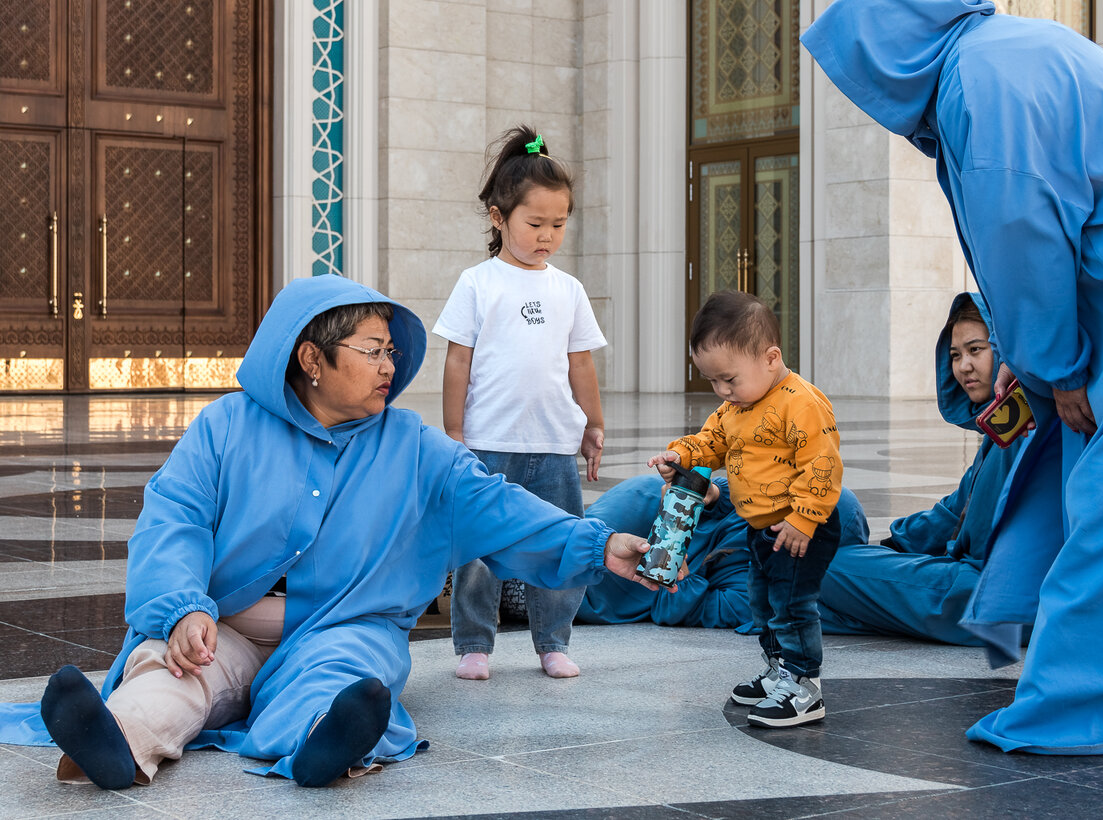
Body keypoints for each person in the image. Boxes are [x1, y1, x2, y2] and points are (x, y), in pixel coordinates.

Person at [0, 274, 660, 790]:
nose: (389, 367)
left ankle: (326, 747)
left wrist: (598, 543)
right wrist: (182, 610)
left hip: (345, 625)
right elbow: (175, 519)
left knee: (341, 678)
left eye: (391, 352)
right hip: (221, 624)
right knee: (172, 673)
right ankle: (113, 744)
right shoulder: (226, 426)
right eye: (372, 351)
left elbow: (498, 506)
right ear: (312, 358)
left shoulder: (413, 445)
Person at [802, 0, 1103, 754]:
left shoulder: (980, 85)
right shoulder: (992, 59)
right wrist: (1036, 355)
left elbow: (1023, 235)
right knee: (1086, 474)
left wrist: (1056, 364)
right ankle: (1085, 672)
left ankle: (1093, 710)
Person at [434, 125, 606, 682]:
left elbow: (581, 363)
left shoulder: (568, 289)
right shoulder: (478, 283)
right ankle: (474, 645)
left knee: (563, 544)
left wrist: (593, 423)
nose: (547, 236)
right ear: (498, 217)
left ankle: (553, 641)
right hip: (488, 443)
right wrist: (454, 432)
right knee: (478, 550)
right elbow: (457, 361)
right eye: (535, 224)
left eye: (558, 224)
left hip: (553, 443)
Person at [647, 290, 844, 729]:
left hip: (800, 528)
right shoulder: (735, 407)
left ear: (771, 358)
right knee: (764, 602)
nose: (722, 391)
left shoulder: (801, 403)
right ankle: (778, 671)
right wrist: (681, 455)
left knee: (792, 605)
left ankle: (804, 687)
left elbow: (823, 465)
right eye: (713, 381)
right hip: (760, 528)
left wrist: (803, 519)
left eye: (729, 379)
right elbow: (711, 442)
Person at [819, 293, 1061, 646]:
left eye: (976, 350)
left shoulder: (1029, 425)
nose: (963, 366)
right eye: (955, 355)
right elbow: (952, 512)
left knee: (825, 568)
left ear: (1006, 351)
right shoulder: (1003, 426)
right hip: (970, 582)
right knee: (838, 517)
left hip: (993, 595)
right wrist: (893, 547)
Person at [580, 474, 870, 631]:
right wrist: (713, 496)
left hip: (618, 585)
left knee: (574, 570)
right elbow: (734, 489)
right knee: (577, 541)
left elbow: (674, 608)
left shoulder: (761, 585)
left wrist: (676, 558)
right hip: (640, 511)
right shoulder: (758, 509)